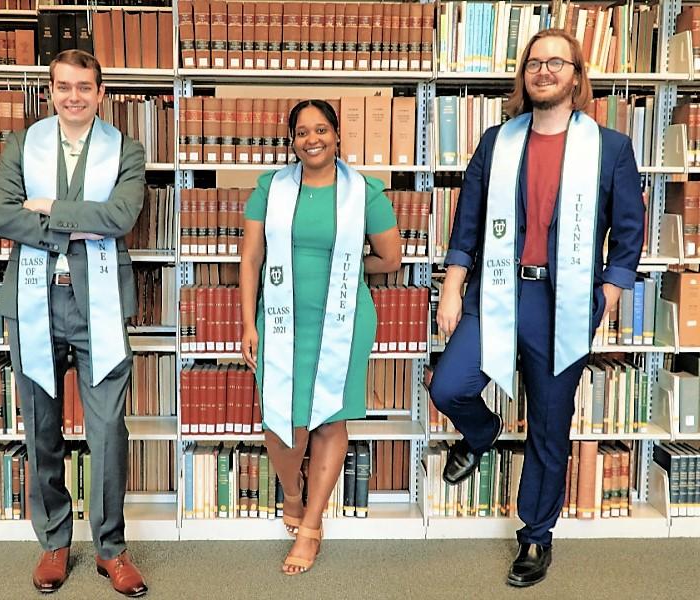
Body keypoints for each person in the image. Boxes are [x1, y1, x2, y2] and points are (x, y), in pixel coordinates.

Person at [426, 29, 644, 587]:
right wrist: (452, 286)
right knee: (449, 385)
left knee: (550, 423)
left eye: (556, 62)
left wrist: (608, 293)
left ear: (576, 75)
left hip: (565, 300)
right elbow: (468, 219)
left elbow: (627, 233)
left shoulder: (611, 148)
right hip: (497, 289)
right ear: (524, 75)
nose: (543, 71)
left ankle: (535, 538)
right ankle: (481, 433)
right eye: (534, 63)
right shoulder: (497, 141)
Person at [0, 49, 148, 597]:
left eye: (84, 86)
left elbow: (121, 217)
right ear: (50, 90)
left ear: (101, 92)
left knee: (107, 431)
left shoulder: (125, 150)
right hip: (32, 303)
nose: (74, 96)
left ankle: (111, 548)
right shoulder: (21, 145)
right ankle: (54, 541)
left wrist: (48, 208)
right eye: (63, 86)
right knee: (41, 428)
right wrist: (80, 222)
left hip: (97, 306)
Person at [240, 99, 402, 575]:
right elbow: (251, 259)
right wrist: (248, 323)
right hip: (280, 319)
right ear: (291, 140)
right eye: (302, 132)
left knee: (330, 419)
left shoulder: (365, 192)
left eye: (322, 130)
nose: (313, 139)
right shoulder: (270, 189)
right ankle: (293, 491)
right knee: (281, 419)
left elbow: (389, 259)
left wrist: (343, 273)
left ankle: (311, 525)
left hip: (344, 319)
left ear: (337, 136)